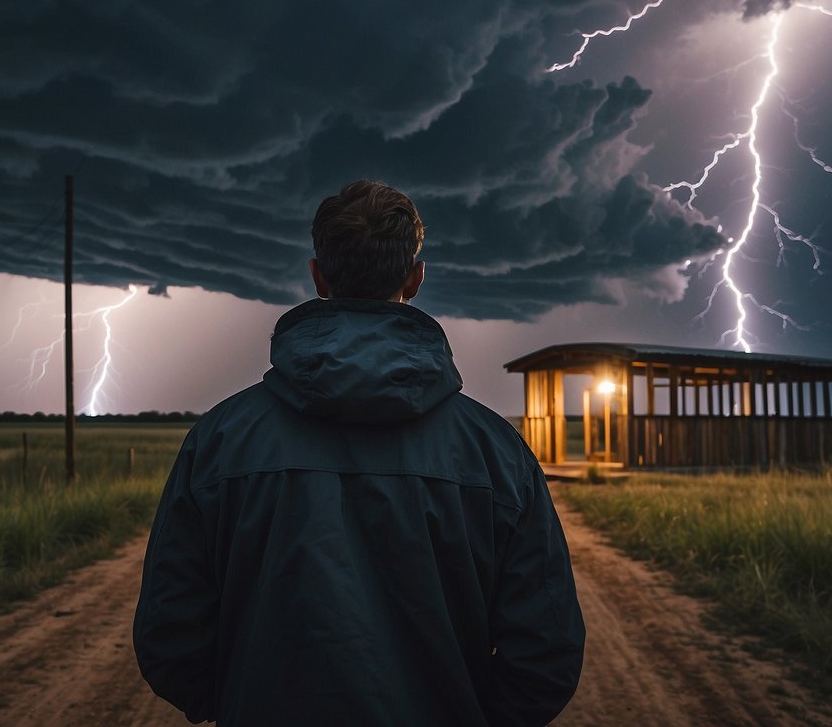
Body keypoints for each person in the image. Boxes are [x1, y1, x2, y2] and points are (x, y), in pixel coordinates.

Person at [134, 179, 585, 726]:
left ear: (319, 276)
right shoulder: (495, 451)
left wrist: (236, 701)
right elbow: (547, 648)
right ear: (416, 279)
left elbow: (169, 634)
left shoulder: (220, 440)